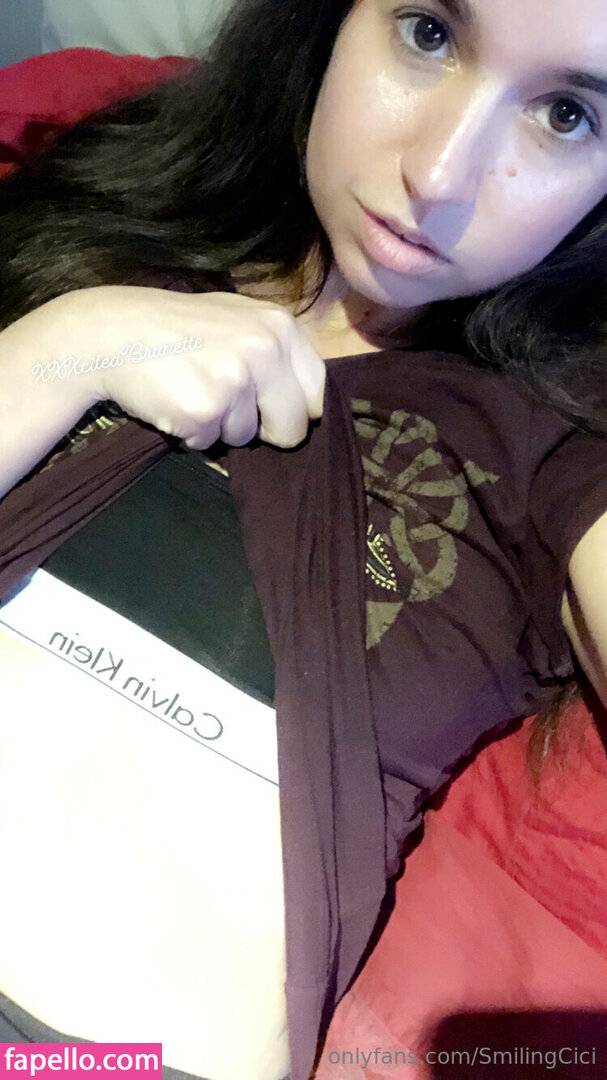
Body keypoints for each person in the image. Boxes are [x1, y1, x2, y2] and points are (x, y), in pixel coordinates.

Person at [1, 1, 607, 1078]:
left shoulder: (557, 443)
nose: (439, 173)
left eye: (566, 115)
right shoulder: (98, 226)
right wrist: (71, 346)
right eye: (428, 34)